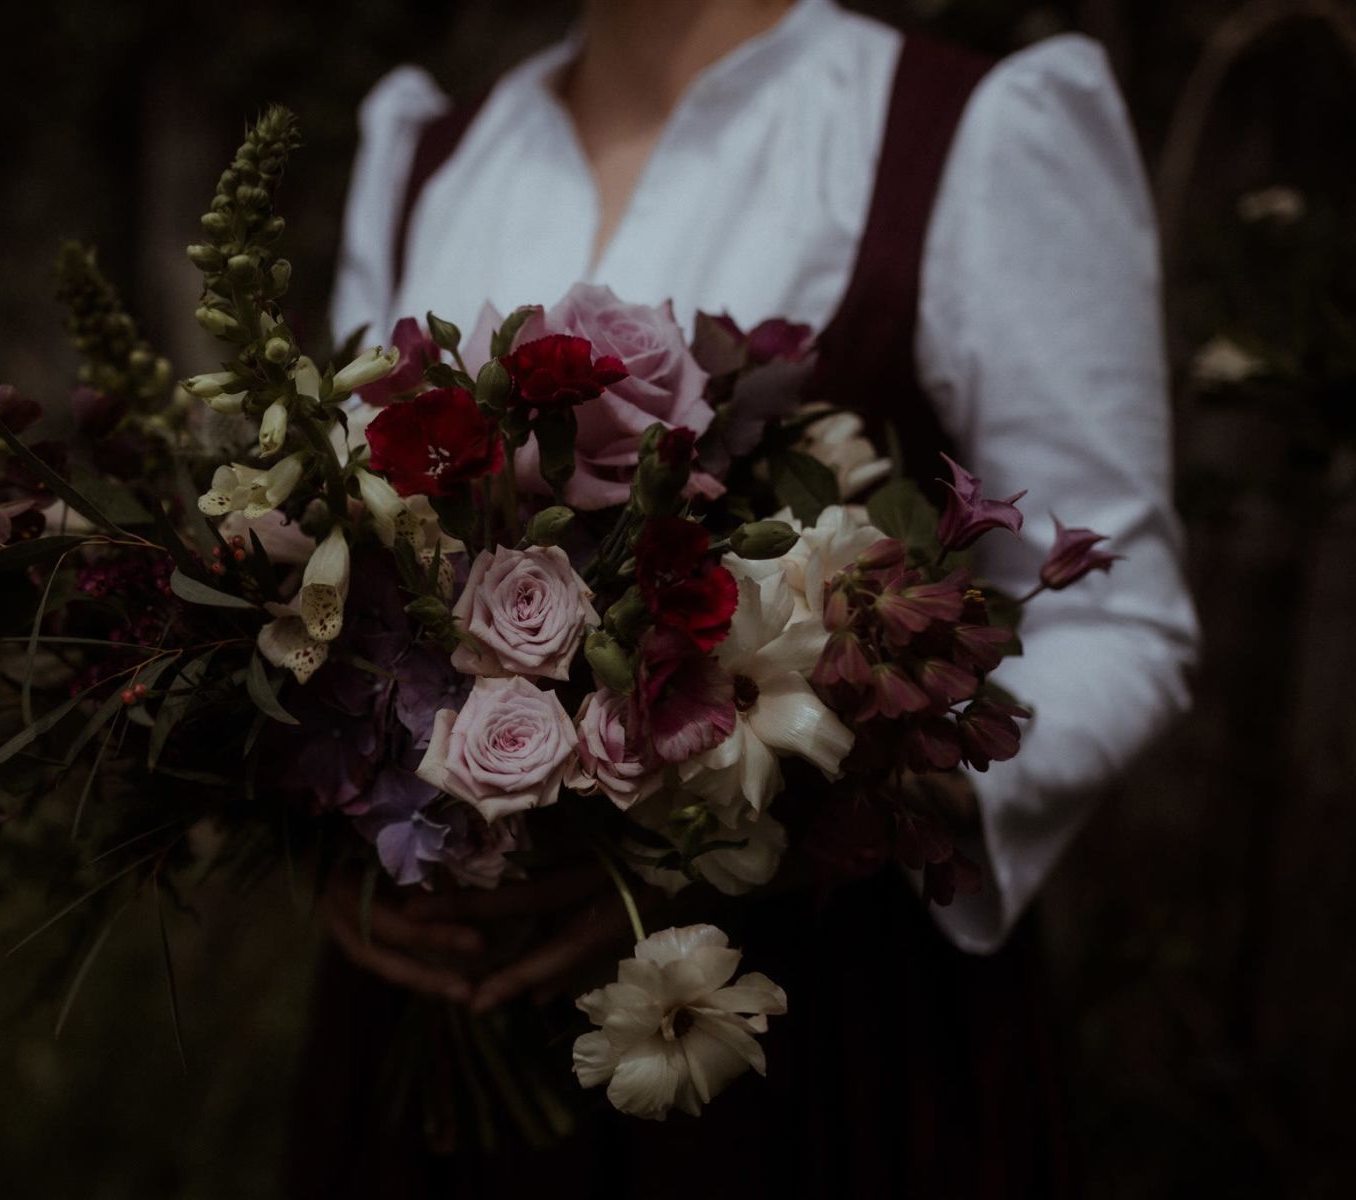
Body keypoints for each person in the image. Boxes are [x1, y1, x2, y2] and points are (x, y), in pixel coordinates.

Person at [294, 1, 1200, 1195]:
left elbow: (1118, 620)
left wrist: (763, 831)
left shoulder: (962, 133)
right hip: (429, 1033)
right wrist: (328, 843)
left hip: (806, 1039)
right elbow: (337, 573)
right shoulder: (432, 153)